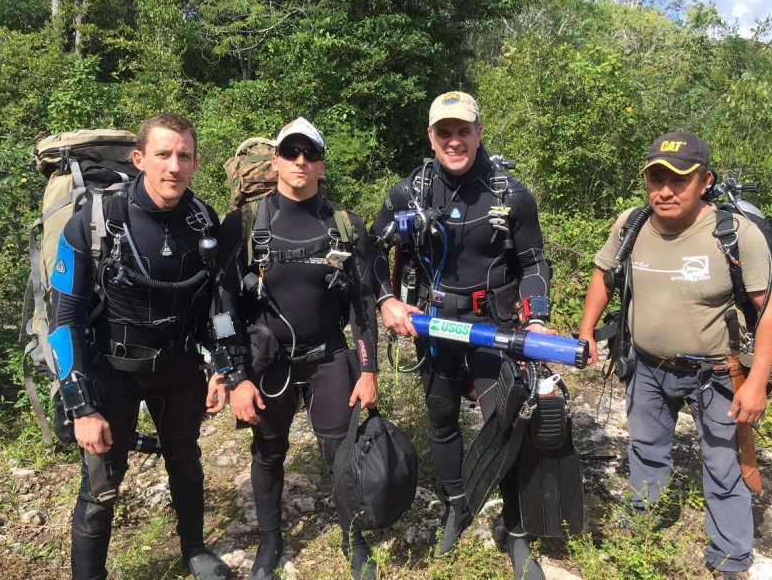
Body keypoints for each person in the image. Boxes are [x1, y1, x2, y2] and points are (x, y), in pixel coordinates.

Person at [578, 132, 772, 579]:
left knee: (724, 463)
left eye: (679, 180)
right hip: (647, 366)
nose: (665, 190)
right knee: (646, 448)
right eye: (656, 178)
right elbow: (603, 275)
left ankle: (730, 559)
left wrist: (759, 382)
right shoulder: (631, 224)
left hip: (718, 373)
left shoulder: (735, 234)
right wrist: (587, 330)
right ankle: (642, 524)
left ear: (704, 181)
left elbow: (770, 310)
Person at [369, 91, 552, 577]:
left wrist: (535, 316)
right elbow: (369, 253)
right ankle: (456, 504)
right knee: (442, 415)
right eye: (444, 132)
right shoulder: (407, 193)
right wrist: (388, 300)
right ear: (431, 137)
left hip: (495, 327)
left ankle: (516, 533)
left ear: (478, 132)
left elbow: (532, 260)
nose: (454, 140)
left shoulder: (510, 193)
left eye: (463, 130)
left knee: (506, 424)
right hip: (435, 324)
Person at [47, 113, 230, 580]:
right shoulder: (94, 221)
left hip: (179, 369)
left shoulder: (202, 219)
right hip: (113, 371)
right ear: (139, 159)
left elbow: (215, 303)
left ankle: (194, 547)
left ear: (195, 162)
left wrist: (221, 366)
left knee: (185, 462)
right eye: (163, 154)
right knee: (101, 486)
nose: (174, 166)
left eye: (184, 155)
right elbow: (63, 319)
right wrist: (81, 407)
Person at [209, 117, 379, 580]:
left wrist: (368, 370)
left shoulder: (345, 225)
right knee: (268, 451)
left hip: (328, 356)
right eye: (291, 152)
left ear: (322, 164)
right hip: (268, 359)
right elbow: (223, 306)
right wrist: (237, 376)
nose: (300, 161)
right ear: (277, 161)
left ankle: (354, 537)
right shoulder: (243, 224)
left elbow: (362, 304)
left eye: (310, 153)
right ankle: (270, 543)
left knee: (339, 452)